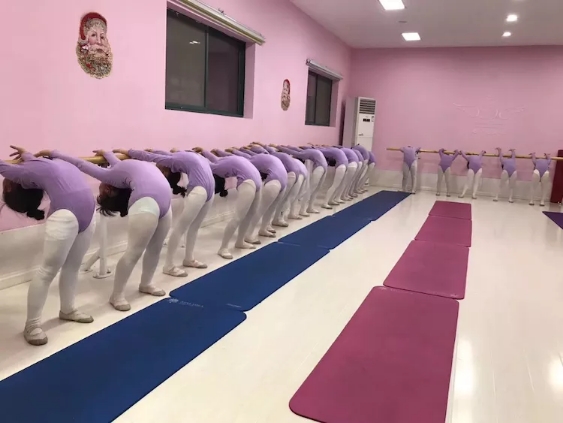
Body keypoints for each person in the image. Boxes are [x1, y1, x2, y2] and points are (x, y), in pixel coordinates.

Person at [50, 150, 172, 312]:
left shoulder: (119, 172)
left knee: (155, 248)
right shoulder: (111, 176)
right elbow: (83, 164)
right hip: (147, 203)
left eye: (99, 191)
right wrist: (54, 153)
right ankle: (117, 295)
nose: (100, 186)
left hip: (164, 203)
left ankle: (146, 283)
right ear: (109, 189)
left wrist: (106, 154)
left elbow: (94, 164)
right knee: (134, 252)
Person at [0, 146, 96, 346]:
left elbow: (33, 162)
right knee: (47, 272)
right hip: (66, 216)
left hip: (88, 215)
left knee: (73, 267)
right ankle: (32, 324)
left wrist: (28, 154)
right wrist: (30, 156)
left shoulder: (35, 168)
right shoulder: (26, 173)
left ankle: (68, 309)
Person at [121, 148, 214, 277]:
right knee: (181, 228)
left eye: (161, 169)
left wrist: (131, 151)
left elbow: (153, 156)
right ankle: (168, 265)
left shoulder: (177, 158)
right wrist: (137, 152)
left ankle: (189, 258)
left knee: (194, 227)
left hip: (208, 190)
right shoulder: (178, 159)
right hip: (201, 189)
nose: (159, 167)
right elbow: (156, 156)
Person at [197, 148, 262, 259]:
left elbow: (212, 162)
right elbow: (211, 162)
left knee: (250, 214)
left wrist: (203, 152)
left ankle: (240, 241)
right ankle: (223, 247)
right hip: (249, 182)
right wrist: (202, 153)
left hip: (255, 183)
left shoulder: (223, 163)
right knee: (238, 217)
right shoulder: (228, 160)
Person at [222, 148, 288, 244]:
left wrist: (233, 151)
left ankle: (263, 228)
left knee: (269, 208)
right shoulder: (265, 157)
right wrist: (231, 151)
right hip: (278, 182)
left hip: (279, 182)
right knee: (262, 209)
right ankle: (249, 234)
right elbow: (238, 157)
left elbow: (241, 157)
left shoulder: (258, 158)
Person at [247, 144, 303, 228]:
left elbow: (253, 154)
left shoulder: (270, 156)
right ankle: (266, 224)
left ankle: (267, 224)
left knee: (273, 204)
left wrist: (241, 150)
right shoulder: (275, 156)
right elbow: (261, 151)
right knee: (273, 204)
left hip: (285, 178)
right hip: (284, 179)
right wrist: (244, 149)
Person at [277, 145, 327, 215]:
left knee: (314, 190)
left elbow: (297, 152)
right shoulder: (309, 152)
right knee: (308, 191)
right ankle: (302, 210)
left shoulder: (307, 152)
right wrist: (284, 147)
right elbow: (297, 151)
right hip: (317, 169)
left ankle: (307, 208)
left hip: (318, 169)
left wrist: (282, 147)